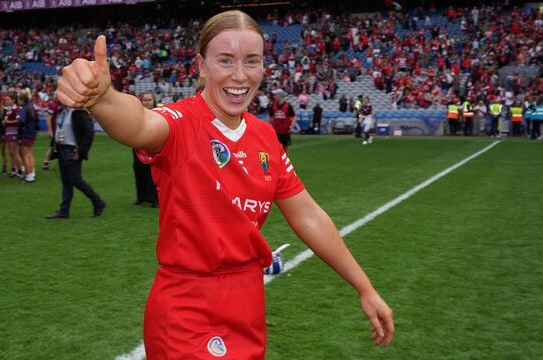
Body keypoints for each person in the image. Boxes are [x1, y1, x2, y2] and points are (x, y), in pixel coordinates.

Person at [56, 10, 394, 359]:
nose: (239, 75)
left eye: (252, 61)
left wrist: (365, 288)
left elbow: (308, 216)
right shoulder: (182, 123)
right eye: (225, 60)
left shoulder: (265, 137)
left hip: (247, 305)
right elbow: (140, 123)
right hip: (187, 308)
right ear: (201, 65)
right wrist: (103, 98)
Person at [45, 107, 105, 219]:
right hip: (61, 149)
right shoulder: (62, 111)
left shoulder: (79, 112)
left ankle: (98, 202)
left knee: (75, 179)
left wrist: (81, 151)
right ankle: (64, 211)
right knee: (66, 181)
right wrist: (52, 148)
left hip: (72, 149)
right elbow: (58, 130)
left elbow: (89, 133)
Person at [133, 91, 159, 207]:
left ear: (153, 101)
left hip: (154, 149)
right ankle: (141, 197)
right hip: (139, 148)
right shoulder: (136, 114)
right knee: (139, 173)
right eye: (145, 100)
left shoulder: (158, 113)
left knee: (152, 176)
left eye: (149, 100)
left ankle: (155, 199)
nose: (147, 102)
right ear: (141, 101)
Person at [17, 91, 38, 182]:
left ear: (22, 100)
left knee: (25, 155)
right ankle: (32, 173)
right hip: (31, 133)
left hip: (25, 134)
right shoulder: (32, 108)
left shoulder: (24, 109)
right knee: (29, 154)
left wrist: (19, 124)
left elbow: (21, 121)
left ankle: (29, 175)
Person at [2, 92, 23, 178]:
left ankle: (20, 170)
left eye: (8, 99)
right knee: (11, 152)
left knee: (14, 152)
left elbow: (18, 120)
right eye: (6, 99)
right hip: (8, 132)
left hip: (13, 132)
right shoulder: (9, 109)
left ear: (13, 100)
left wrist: (7, 122)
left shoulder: (16, 109)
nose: (6, 101)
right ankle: (14, 169)